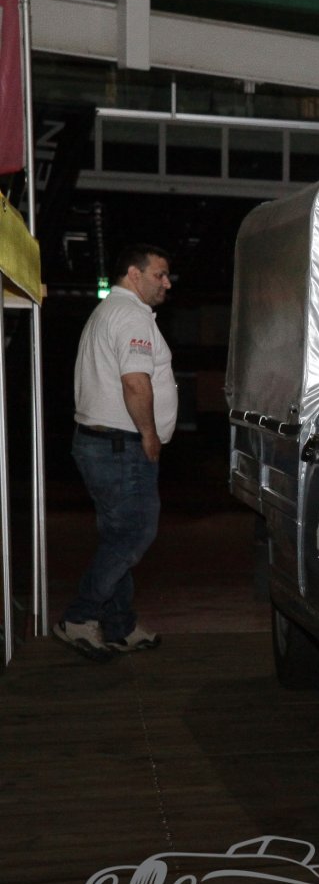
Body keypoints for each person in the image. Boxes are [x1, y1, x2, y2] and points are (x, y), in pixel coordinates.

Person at [53, 245, 177, 662]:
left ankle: (120, 625)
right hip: (121, 446)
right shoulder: (130, 315)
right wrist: (149, 434)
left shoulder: (110, 311)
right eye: (159, 274)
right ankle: (80, 616)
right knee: (135, 534)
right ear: (133, 274)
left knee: (117, 535)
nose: (167, 283)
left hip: (102, 443)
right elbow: (135, 382)